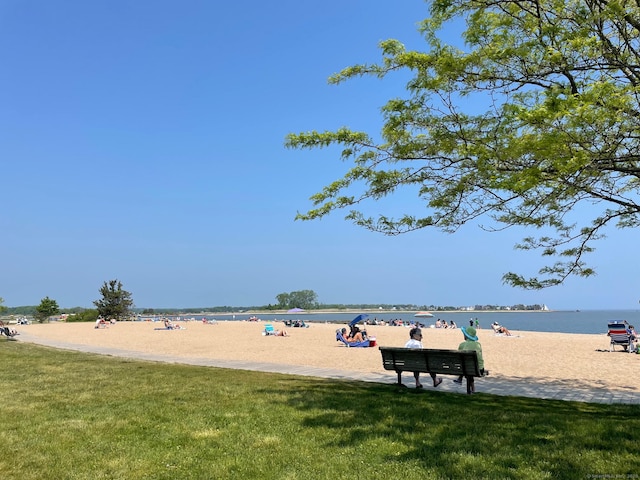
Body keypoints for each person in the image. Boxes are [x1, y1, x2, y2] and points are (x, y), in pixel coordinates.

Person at [453, 326, 487, 392]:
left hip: (468, 369)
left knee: (467, 368)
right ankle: (472, 390)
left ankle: (460, 379)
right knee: (469, 368)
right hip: (479, 369)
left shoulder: (462, 345)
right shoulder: (478, 344)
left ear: (466, 335)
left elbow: (458, 357)